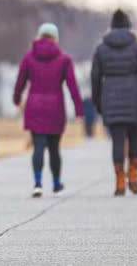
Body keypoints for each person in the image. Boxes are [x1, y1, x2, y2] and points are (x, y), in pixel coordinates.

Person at [91, 10, 137, 196]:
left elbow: (95, 78)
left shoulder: (101, 48)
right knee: (134, 138)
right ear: (127, 25)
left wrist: (98, 102)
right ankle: (133, 177)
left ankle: (119, 180)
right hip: (134, 97)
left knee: (117, 140)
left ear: (112, 26)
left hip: (111, 97)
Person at [13, 23, 83, 197]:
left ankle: (37, 183)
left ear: (39, 36)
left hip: (34, 106)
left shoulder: (28, 58)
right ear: (55, 38)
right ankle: (56, 182)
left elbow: (20, 82)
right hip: (55, 107)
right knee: (54, 148)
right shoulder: (64, 59)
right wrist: (78, 109)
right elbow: (72, 85)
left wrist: (16, 99)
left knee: (38, 146)